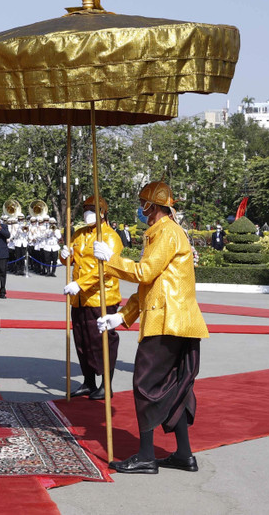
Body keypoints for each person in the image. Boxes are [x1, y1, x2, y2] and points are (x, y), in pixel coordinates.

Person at [93, 181, 208, 475]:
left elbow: (144, 273)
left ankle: (146, 456)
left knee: (144, 385)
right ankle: (183, 454)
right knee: (173, 386)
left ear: (152, 207)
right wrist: (123, 316)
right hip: (174, 320)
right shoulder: (160, 232)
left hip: (167, 323)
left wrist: (111, 259)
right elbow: (153, 286)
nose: (140, 209)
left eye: (142, 203)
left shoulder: (167, 232)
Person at [60, 195, 122, 400]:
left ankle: (106, 384)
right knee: (82, 341)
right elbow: (70, 259)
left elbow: (105, 269)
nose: (87, 213)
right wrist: (63, 254)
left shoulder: (110, 237)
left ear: (103, 212)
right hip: (78, 298)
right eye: (86, 209)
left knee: (102, 341)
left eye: (92, 209)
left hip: (100, 297)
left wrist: (80, 284)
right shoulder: (79, 234)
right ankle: (88, 382)